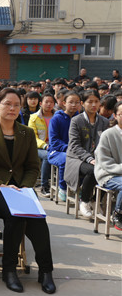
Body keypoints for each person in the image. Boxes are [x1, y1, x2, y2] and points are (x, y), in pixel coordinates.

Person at [0, 87, 55, 294]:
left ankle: (46, 271)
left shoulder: (26, 133)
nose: (12, 108)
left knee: (37, 217)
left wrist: (25, 186)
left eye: (17, 105)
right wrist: (1, 185)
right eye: (7, 104)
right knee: (15, 216)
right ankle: (9, 270)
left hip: (21, 188)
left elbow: (32, 167)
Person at [65, 90, 109, 218]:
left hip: (97, 158)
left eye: (96, 101)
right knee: (93, 170)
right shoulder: (76, 121)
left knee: (110, 170)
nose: (94, 105)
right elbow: (74, 145)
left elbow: (106, 144)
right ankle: (84, 200)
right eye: (90, 102)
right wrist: (89, 158)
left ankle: (96, 200)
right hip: (76, 158)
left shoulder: (104, 122)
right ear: (83, 104)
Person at [48, 91, 81, 201]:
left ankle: (79, 188)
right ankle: (63, 188)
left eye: (77, 102)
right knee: (66, 159)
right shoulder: (56, 119)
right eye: (70, 102)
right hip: (56, 151)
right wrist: (69, 149)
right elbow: (54, 141)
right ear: (63, 103)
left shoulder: (81, 119)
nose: (74, 105)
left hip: (76, 151)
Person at [94, 101, 122, 230]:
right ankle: (117, 214)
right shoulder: (108, 134)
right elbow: (105, 162)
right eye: (121, 114)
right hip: (108, 174)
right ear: (115, 116)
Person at [28, 92, 56, 197]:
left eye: (51, 102)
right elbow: (33, 137)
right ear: (41, 103)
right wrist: (44, 145)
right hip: (38, 147)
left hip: (55, 145)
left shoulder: (58, 116)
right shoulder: (34, 117)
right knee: (47, 156)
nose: (49, 104)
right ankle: (45, 186)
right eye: (46, 102)